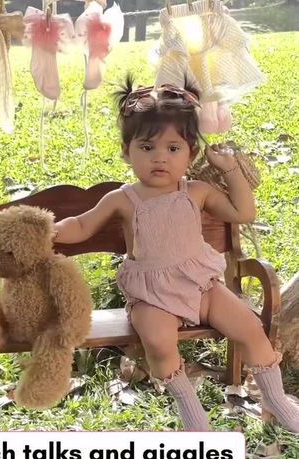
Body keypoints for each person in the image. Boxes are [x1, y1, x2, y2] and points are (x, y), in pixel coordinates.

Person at [53, 77, 299, 433]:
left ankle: (276, 400)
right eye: (147, 147)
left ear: (191, 153)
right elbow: (81, 225)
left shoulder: (196, 191)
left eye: (173, 148)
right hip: (151, 294)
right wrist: (50, 229)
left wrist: (230, 169)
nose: (160, 158)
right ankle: (191, 410)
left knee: (249, 326)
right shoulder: (123, 198)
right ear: (127, 151)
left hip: (201, 285)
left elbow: (243, 213)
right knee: (157, 340)